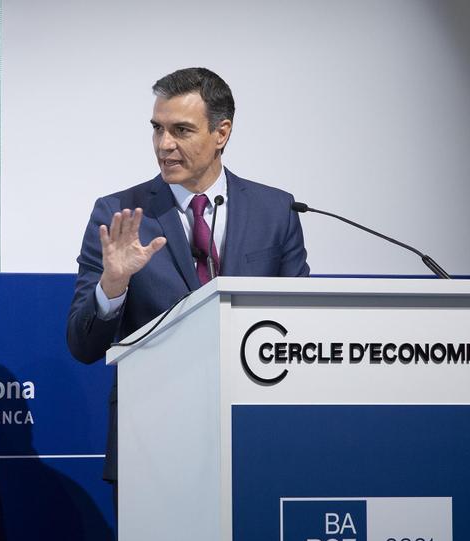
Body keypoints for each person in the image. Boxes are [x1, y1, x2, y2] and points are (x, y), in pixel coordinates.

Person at [66, 67, 310, 483]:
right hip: (152, 446)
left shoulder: (277, 211)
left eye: (181, 130)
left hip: (257, 441)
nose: (164, 145)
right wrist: (113, 285)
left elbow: (302, 330)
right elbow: (82, 345)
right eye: (157, 129)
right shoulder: (119, 215)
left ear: (222, 133)